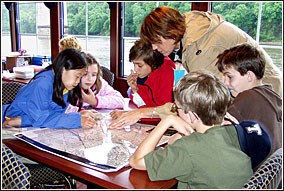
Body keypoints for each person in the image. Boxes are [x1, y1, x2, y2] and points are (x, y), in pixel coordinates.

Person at [129, 71, 253, 189]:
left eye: (177, 108)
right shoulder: (231, 130)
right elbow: (174, 142)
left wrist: (166, 122)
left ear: (193, 115)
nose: (176, 112)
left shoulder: (189, 149)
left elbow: (136, 161)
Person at [140, 6, 282, 97]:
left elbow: (208, 100)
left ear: (171, 32)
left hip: (267, 99)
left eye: (157, 41)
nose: (154, 48)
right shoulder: (190, 31)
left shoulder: (200, 47)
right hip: (260, 95)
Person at [2, 48, 98, 129]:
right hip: (8, 119)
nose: (78, 82)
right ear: (63, 69)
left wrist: (79, 114)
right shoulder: (42, 84)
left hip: (27, 122)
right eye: (77, 76)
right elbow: (41, 118)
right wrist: (77, 120)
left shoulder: (65, 84)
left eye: (80, 77)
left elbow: (55, 112)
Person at [215, 43, 282, 154]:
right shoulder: (271, 95)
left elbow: (215, 136)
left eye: (229, 77)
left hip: (251, 169)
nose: (224, 82)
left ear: (249, 76)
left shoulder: (247, 98)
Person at [127, 39, 175, 108]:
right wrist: (135, 89)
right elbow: (141, 106)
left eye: (140, 65)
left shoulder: (167, 74)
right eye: (134, 64)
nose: (135, 69)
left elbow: (163, 111)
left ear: (153, 64)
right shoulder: (145, 75)